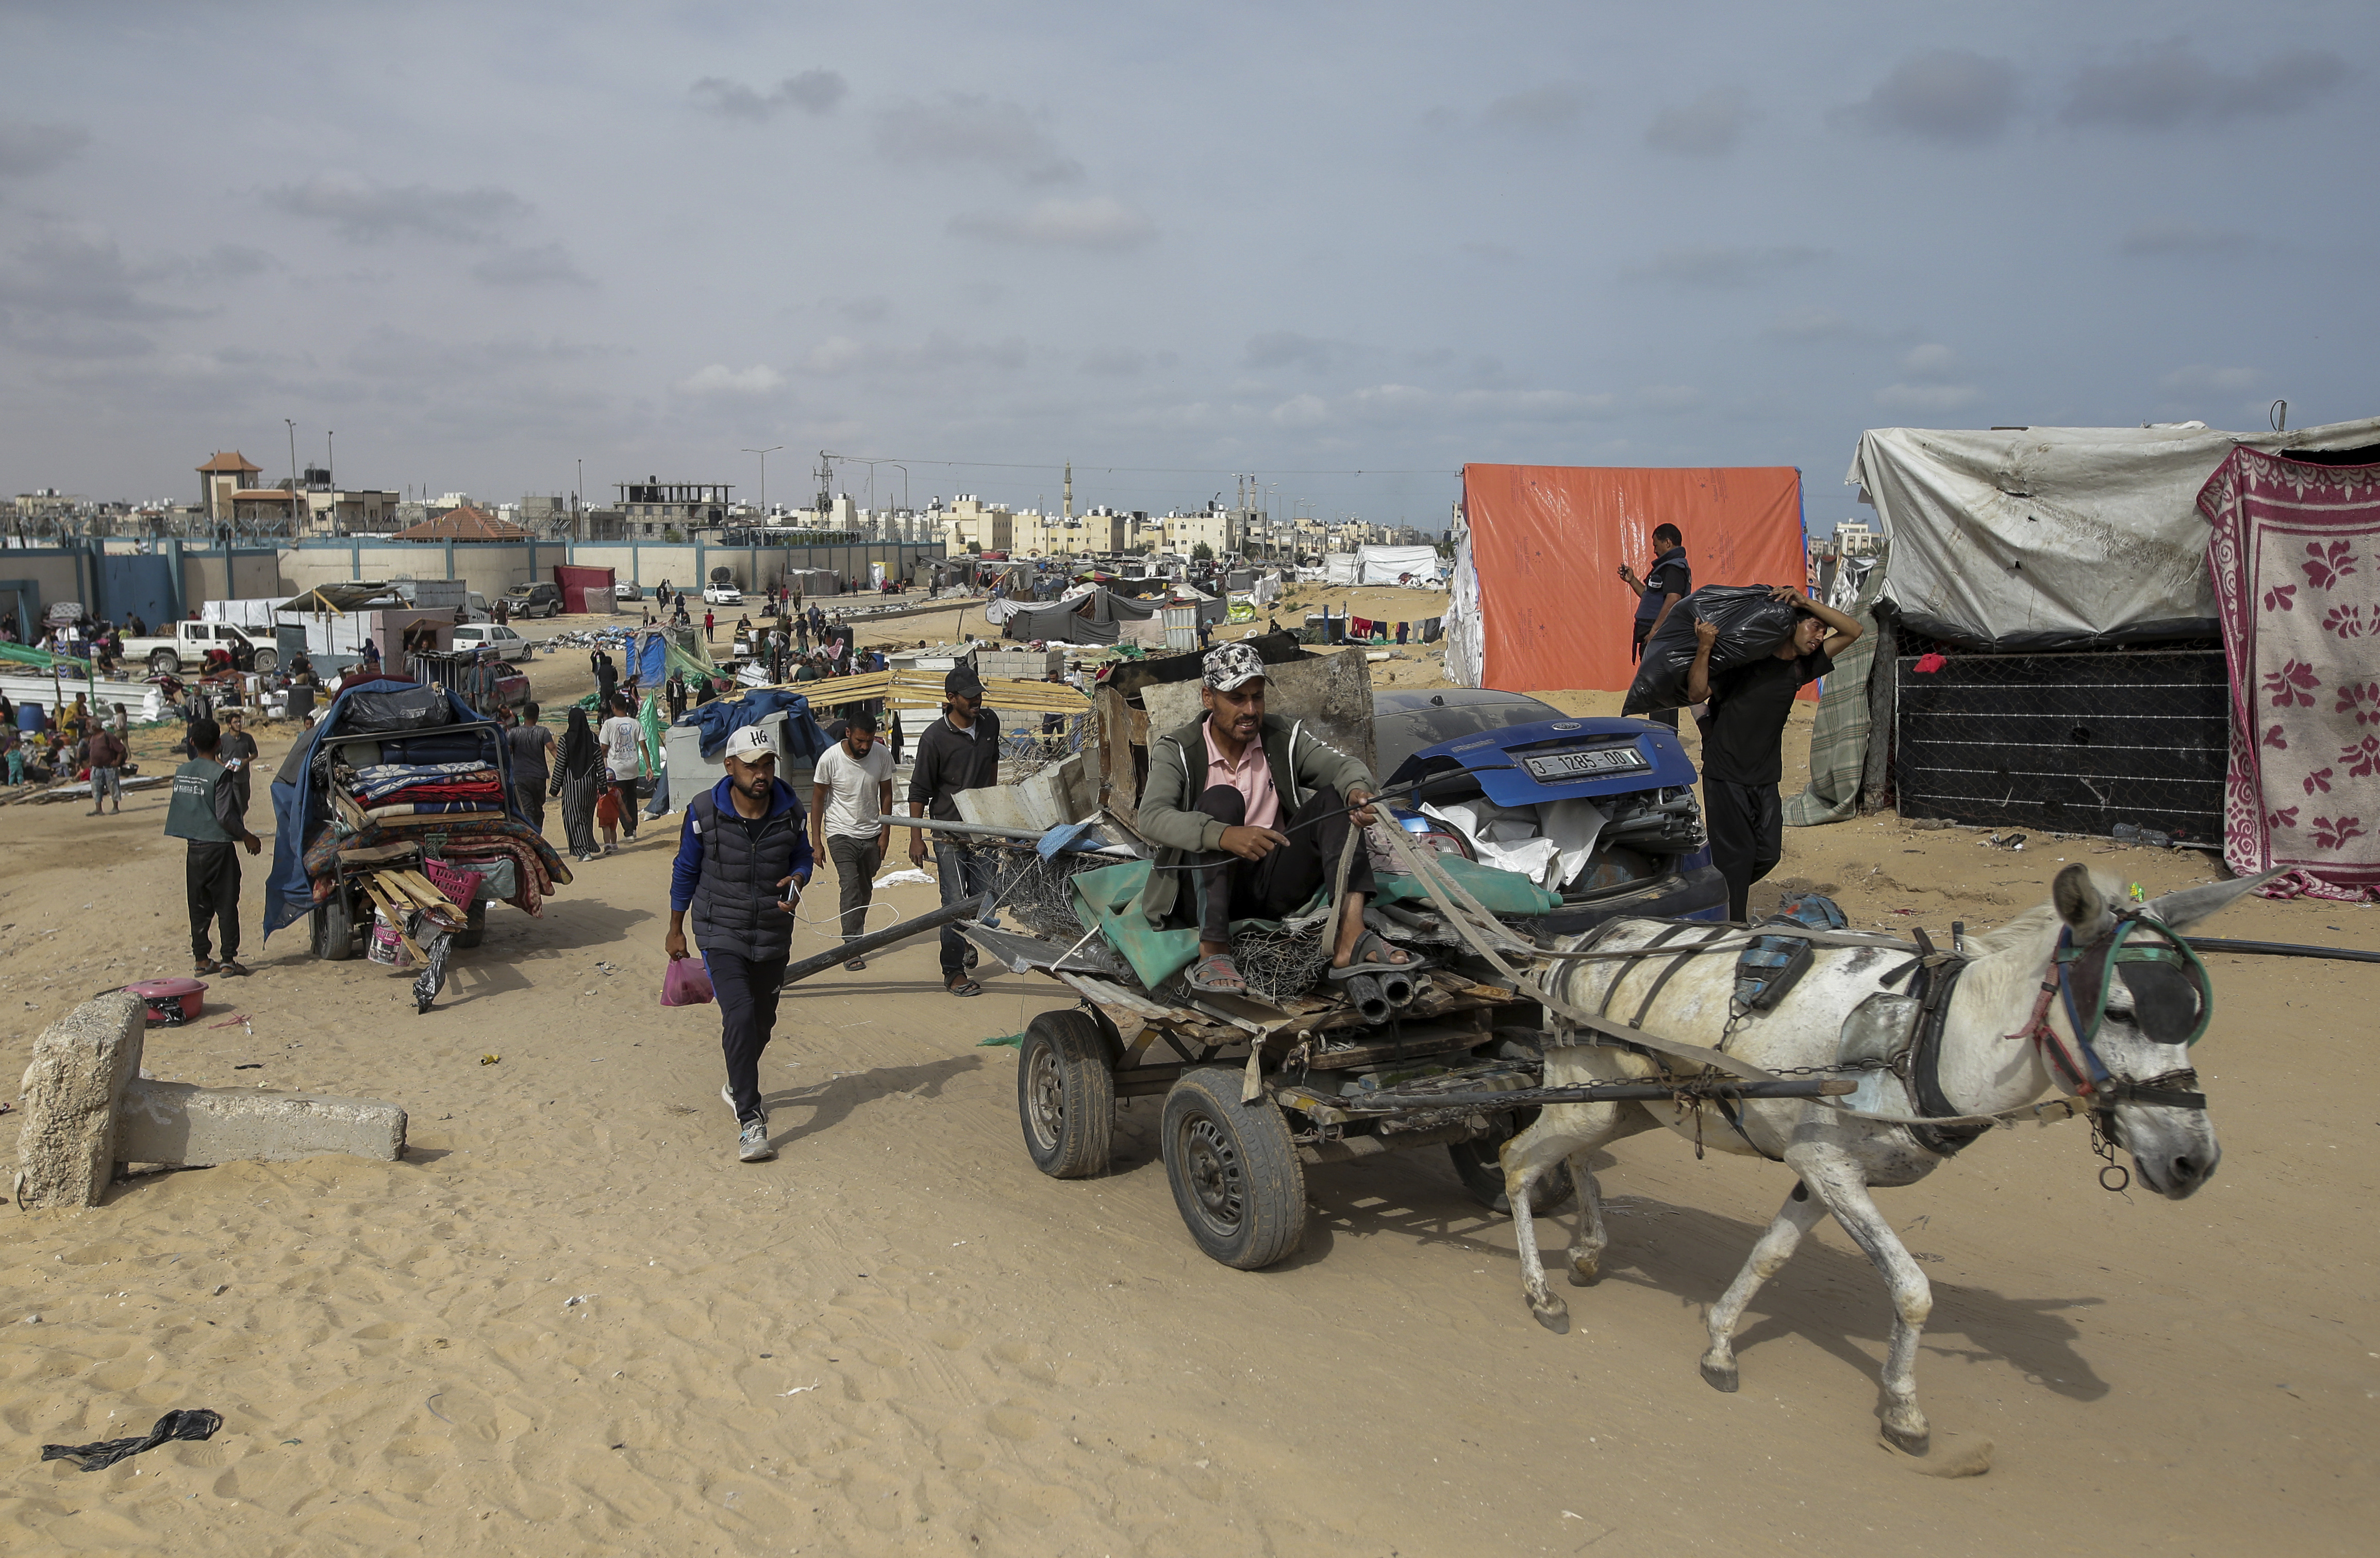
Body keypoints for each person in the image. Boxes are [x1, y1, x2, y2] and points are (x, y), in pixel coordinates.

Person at [1126, 641, 1415, 995]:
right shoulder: (1178, 749)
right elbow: (1152, 816)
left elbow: (1345, 767)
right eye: (1237, 698)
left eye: (1257, 697)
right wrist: (1223, 835)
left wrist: (1357, 791)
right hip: (1202, 889)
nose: (1250, 710)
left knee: (1336, 800)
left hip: (1271, 884)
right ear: (1208, 698)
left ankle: (1351, 936)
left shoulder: (1283, 738)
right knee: (1222, 799)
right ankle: (1213, 950)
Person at [667, 724, 812, 1164]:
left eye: (767, 764)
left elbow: (802, 855)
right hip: (720, 930)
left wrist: (799, 877)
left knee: (762, 1023)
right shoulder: (703, 812)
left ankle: (735, 1082)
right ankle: (751, 1119)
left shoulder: (791, 811)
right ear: (730, 766)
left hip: (772, 931)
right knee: (741, 1013)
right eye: (751, 766)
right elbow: (685, 869)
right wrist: (676, 927)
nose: (761, 774)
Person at [1686, 585, 1862, 921]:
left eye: (1822, 631)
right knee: (1737, 857)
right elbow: (1696, 692)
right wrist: (1705, 648)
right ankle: (1733, 924)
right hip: (1725, 774)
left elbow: (1853, 630)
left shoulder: (1800, 668)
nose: (1819, 636)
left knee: (1767, 854)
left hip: (1765, 777)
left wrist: (1806, 602)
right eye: (1814, 627)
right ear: (1791, 625)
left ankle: (1712, 887)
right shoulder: (1747, 660)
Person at [905, 669, 1003, 996]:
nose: (977, 701)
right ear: (951, 699)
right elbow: (919, 791)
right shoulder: (934, 738)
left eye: (979, 694)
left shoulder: (990, 723)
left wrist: (992, 805)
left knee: (983, 897)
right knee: (954, 900)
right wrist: (916, 837)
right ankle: (953, 971)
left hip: (982, 827)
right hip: (947, 831)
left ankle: (967, 940)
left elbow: (992, 764)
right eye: (970, 696)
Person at [167, 716, 261, 978]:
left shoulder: (182, 772)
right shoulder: (221, 774)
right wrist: (247, 837)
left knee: (198, 906)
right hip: (219, 848)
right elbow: (225, 816)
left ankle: (201, 960)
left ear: (192, 742)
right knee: (226, 904)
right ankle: (228, 960)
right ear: (219, 743)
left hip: (194, 849)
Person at [811, 711, 895, 971]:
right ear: (848, 733)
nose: (865, 746)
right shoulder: (830, 759)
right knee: (850, 886)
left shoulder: (882, 755)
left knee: (865, 888)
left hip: (872, 833)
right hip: (840, 833)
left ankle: (855, 937)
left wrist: (885, 833)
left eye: (869, 741)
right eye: (860, 740)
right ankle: (851, 947)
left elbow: (887, 795)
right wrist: (816, 841)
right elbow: (818, 800)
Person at [1619, 524, 1692, 730]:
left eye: (1656, 544)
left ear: (1667, 542)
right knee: (1662, 690)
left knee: (1657, 689)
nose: (1654, 550)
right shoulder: (1666, 568)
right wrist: (1632, 580)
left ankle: (1662, 736)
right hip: (1659, 639)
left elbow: (1673, 599)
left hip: (1661, 640)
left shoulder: (1674, 568)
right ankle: (1666, 735)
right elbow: (1650, 598)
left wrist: (1655, 631)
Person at [553, 706, 603, 862]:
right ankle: (588, 845)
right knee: (587, 817)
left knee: (574, 817)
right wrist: (603, 785)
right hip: (591, 785)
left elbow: (560, 765)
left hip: (573, 785)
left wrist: (554, 788)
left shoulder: (565, 740)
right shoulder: (593, 738)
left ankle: (584, 851)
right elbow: (600, 764)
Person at [597, 693, 647, 846]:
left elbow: (604, 747)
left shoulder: (608, 724)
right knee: (632, 798)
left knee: (620, 801)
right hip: (633, 767)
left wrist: (599, 763)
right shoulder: (635, 723)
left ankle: (628, 832)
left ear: (613, 707)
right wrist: (649, 767)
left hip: (616, 770)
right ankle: (633, 828)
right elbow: (643, 745)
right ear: (626, 706)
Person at [507, 701, 556, 832]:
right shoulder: (543, 732)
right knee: (538, 809)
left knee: (527, 810)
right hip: (539, 777)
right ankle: (537, 833)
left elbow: (506, 753)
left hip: (520, 777)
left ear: (523, 715)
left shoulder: (513, 733)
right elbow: (553, 749)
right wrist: (565, 765)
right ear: (537, 716)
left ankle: (531, 834)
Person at [86, 720, 126, 815]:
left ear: (94, 727)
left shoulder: (108, 736)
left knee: (113, 787)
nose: (86, 728)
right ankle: (99, 809)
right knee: (96, 788)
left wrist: (117, 762)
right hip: (96, 768)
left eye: (88, 726)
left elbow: (121, 749)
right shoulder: (93, 737)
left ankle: (115, 808)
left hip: (109, 768)